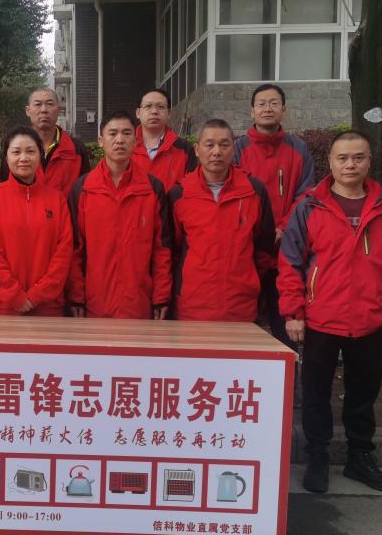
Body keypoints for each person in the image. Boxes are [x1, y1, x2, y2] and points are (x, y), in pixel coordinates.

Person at [278, 130, 382, 495]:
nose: (350, 164)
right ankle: (318, 457)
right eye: (342, 158)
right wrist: (293, 312)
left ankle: (360, 458)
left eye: (358, 157)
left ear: (369, 161)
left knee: (362, 396)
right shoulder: (310, 207)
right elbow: (290, 263)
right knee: (315, 394)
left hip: (371, 318)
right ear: (330, 162)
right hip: (321, 318)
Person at [68, 111, 172, 319]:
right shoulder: (83, 188)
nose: (119, 140)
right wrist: (76, 297)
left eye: (126, 133)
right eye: (112, 133)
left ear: (136, 140)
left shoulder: (152, 188)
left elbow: (162, 249)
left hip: (139, 303)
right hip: (95, 304)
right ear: (100, 140)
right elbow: (75, 250)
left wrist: (161, 297)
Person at [168, 119, 275, 321]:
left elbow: (264, 247)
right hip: (193, 306)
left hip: (241, 306)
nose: (216, 152)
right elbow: (173, 249)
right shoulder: (180, 194)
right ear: (197, 150)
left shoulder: (254, 190)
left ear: (233, 149)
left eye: (224, 145)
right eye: (209, 145)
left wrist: (250, 281)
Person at [233, 84, 315, 347]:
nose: (267, 108)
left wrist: (283, 228)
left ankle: (288, 372)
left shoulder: (299, 149)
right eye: (261, 103)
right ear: (252, 111)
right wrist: (257, 231)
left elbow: (305, 194)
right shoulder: (238, 149)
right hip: (247, 249)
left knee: (285, 325)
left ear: (284, 109)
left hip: (285, 249)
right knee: (241, 325)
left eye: (273, 103)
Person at [0, 127, 73, 316]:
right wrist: (15, 295)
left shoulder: (57, 199)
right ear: (6, 157)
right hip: (5, 305)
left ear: (40, 155)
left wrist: (37, 295)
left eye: (30, 151)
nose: (24, 158)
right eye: (16, 152)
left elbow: (64, 253)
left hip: (48, 305)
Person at [22, 86, 90, 196]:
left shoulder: (76, 148)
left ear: (58, 110)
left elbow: (85, 190)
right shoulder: (16, 148)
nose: (44, 110)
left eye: (49, 104)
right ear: (28, 111)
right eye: (38, 104)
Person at [131, 88, 196, 191]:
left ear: (169, 113)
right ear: (138, 113)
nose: (154, 111)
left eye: (160, 107)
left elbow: (193, 189)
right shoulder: (126, 147)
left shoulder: (185, 149)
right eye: (148, 106)